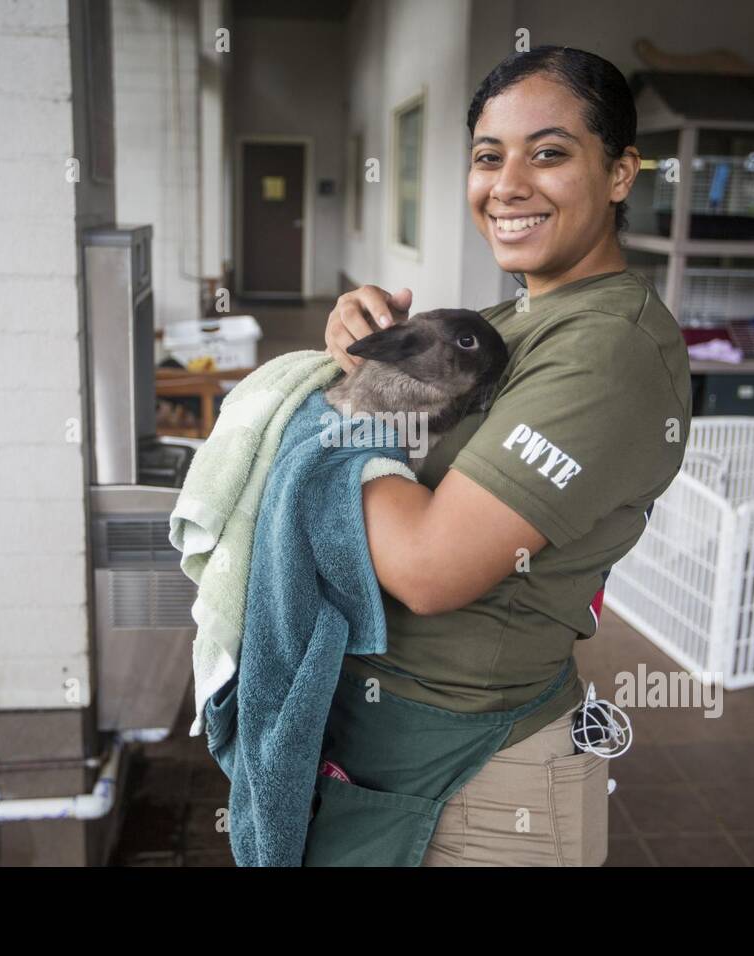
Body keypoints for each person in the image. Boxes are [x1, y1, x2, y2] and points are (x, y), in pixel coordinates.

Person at [312, 46, 691, 866]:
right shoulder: (512, 320)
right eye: (489, 157)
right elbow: (393, 420)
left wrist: (337, 427)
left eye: (549, 153)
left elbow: (427, 568)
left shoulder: (606, 351)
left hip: (483, 788)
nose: (508, 185)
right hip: (394, 749)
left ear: (622, 173)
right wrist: (358, 352)